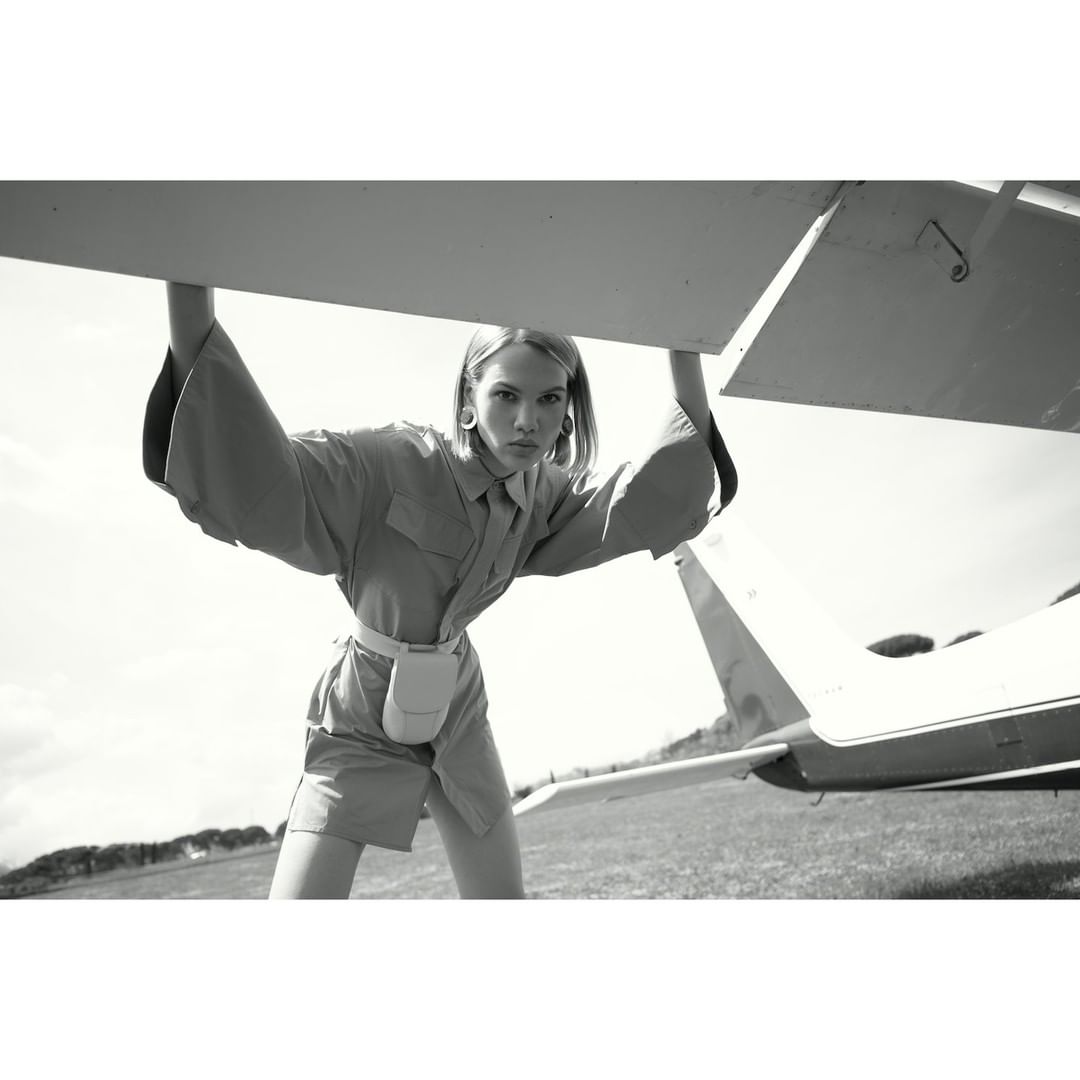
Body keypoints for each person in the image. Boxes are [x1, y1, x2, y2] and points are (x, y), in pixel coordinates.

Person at [144, 282, 738, 899]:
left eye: (549, 398)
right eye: (505, 395)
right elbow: (261, 476)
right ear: (468, 399)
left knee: (501, 903)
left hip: (458, 701)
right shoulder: (387, 460)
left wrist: (685, 345)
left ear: (568, 408)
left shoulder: (545, 493)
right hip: (363, 706)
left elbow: (644, 500)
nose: (528, 421)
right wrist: (188, 283)